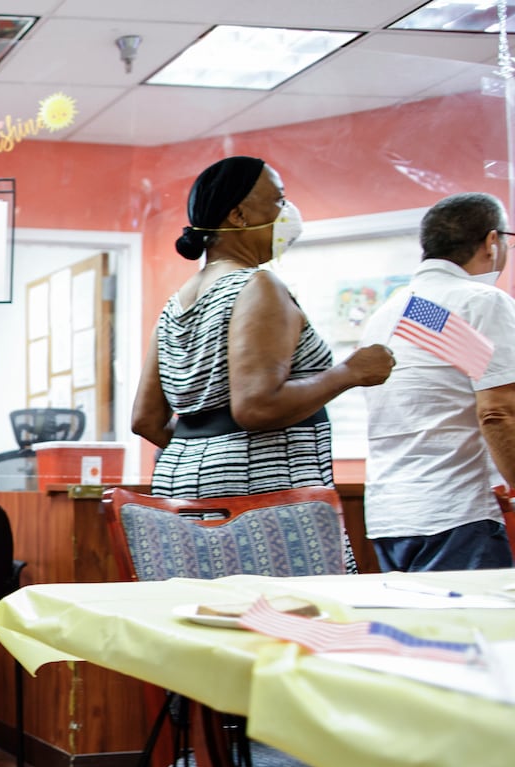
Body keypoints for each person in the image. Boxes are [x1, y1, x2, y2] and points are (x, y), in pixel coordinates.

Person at [132, 156, 395, 512]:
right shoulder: (257, 285)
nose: (287, 211)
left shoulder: (175, 304)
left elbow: (145, 420)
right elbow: (256, 405)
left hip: (181, 485)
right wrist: (350, 373)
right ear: (238, 216)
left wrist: (204, 450)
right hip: (262, 488)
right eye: (278, 200)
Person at [360, 192, 515, 571]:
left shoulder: (387, 313)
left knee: (423, 628)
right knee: (474, 630)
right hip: (455, 513)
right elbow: (498, 412)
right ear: (492, 242)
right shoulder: (480, 301)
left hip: (390, 516)